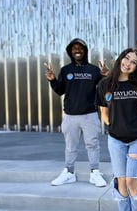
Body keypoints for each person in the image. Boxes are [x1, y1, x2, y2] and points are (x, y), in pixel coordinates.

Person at [97, 48, 137, 211]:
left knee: (131, 180)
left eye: (133, 61)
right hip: (116, 139)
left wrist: (130, 126)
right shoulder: (104, 85)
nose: (128, 63)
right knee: (120, 181)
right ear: (121, 59)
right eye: (126, 58)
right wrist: (116, 126)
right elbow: (104, 112)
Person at [45, 38, 108, 187]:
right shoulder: (66, 70)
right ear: (70, 52)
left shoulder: (94, 70)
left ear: (85, 51)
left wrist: (105, 76)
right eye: (74, 48)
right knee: (70, 146)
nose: (77, 50)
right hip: (70, 116)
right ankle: (69, 172)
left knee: (92, 145)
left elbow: (104, 89)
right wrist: (53, 80)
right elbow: (60, 91)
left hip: (89, 115)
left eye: (80, 48)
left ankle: (95, 172)